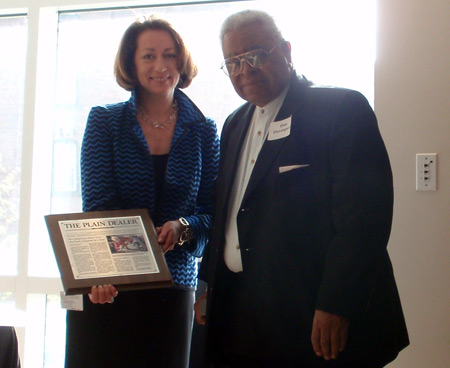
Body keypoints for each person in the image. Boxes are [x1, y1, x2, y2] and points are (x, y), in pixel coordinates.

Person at [195, 9, 409, 368]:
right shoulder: (234, 124)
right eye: (232, 62)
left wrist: (336, 304)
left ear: (287, 51)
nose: (244, 70)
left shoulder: (340, 110)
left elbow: (363, 221)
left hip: (312, 314)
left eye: (256, 55)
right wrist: (207, 283)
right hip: (239, 312)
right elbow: (224, 213)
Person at [65, 16, 220, 368]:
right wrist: (102, 273)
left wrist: (184, 227)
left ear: (181, 61)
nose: (161, 66)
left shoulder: (204, 130)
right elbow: (98, 207)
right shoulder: (105, 121)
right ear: (132, 64)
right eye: (148, 56)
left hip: (175, 288)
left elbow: (213, 214)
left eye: (169, 55)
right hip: (113, 287)